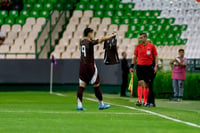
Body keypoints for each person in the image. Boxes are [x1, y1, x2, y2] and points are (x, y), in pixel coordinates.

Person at [77, 27, 117, 111]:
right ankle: (101, 104)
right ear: (89, 34)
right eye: (92, 33)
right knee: (96, 85)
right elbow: (101, 39)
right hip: (90, 66)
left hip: (82, 66)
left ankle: (79, 105)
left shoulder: (81, 42)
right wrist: (112, 36)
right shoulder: (90, 42)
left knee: (81, 86)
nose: (93, 35)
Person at [130, 33, 158, 107]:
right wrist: (132, 66)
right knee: (141, 83)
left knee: (148, 85)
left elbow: (156, 56)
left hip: (149, 67)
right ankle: (141, 100)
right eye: (140, 38)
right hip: (140, 66)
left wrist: (155, 66)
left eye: (141, 38)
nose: (140, 39)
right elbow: (134, 56)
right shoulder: (138, 47)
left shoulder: (152, 47)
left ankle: (149, 101)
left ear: (145, 38)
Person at [146, 39, 156, 107]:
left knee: (150, 86)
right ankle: (148, 101)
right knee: (147, 86)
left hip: (150, 70)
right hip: (146, 70)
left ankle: (151, 102)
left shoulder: (151, 52)